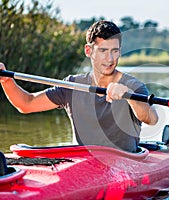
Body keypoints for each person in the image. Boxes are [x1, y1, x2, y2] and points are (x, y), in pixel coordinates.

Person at [0, 20, 158, 153]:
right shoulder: (72, 86)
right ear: (88, 50)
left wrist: (129, 96)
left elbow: (151, 118)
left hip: (126, 163)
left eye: (114, 51)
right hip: (84, 166)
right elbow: (26, 103)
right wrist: (6, 81)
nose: (110, 58)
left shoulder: (133, 86)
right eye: (103, 50)